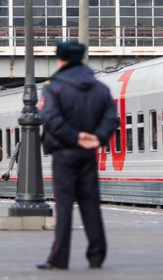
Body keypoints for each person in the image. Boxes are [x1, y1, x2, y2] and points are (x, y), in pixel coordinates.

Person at [37, 40, 119, 270]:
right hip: (89, 153)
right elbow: (111, 118)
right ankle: (97, 256)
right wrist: (96, 138)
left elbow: (51, 119)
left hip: (64, 153)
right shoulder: (100, 88)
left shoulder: (53, 87)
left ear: (61, 60)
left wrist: (75, 137)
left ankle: (59, 258)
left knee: (64, 205)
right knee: (90, 203)